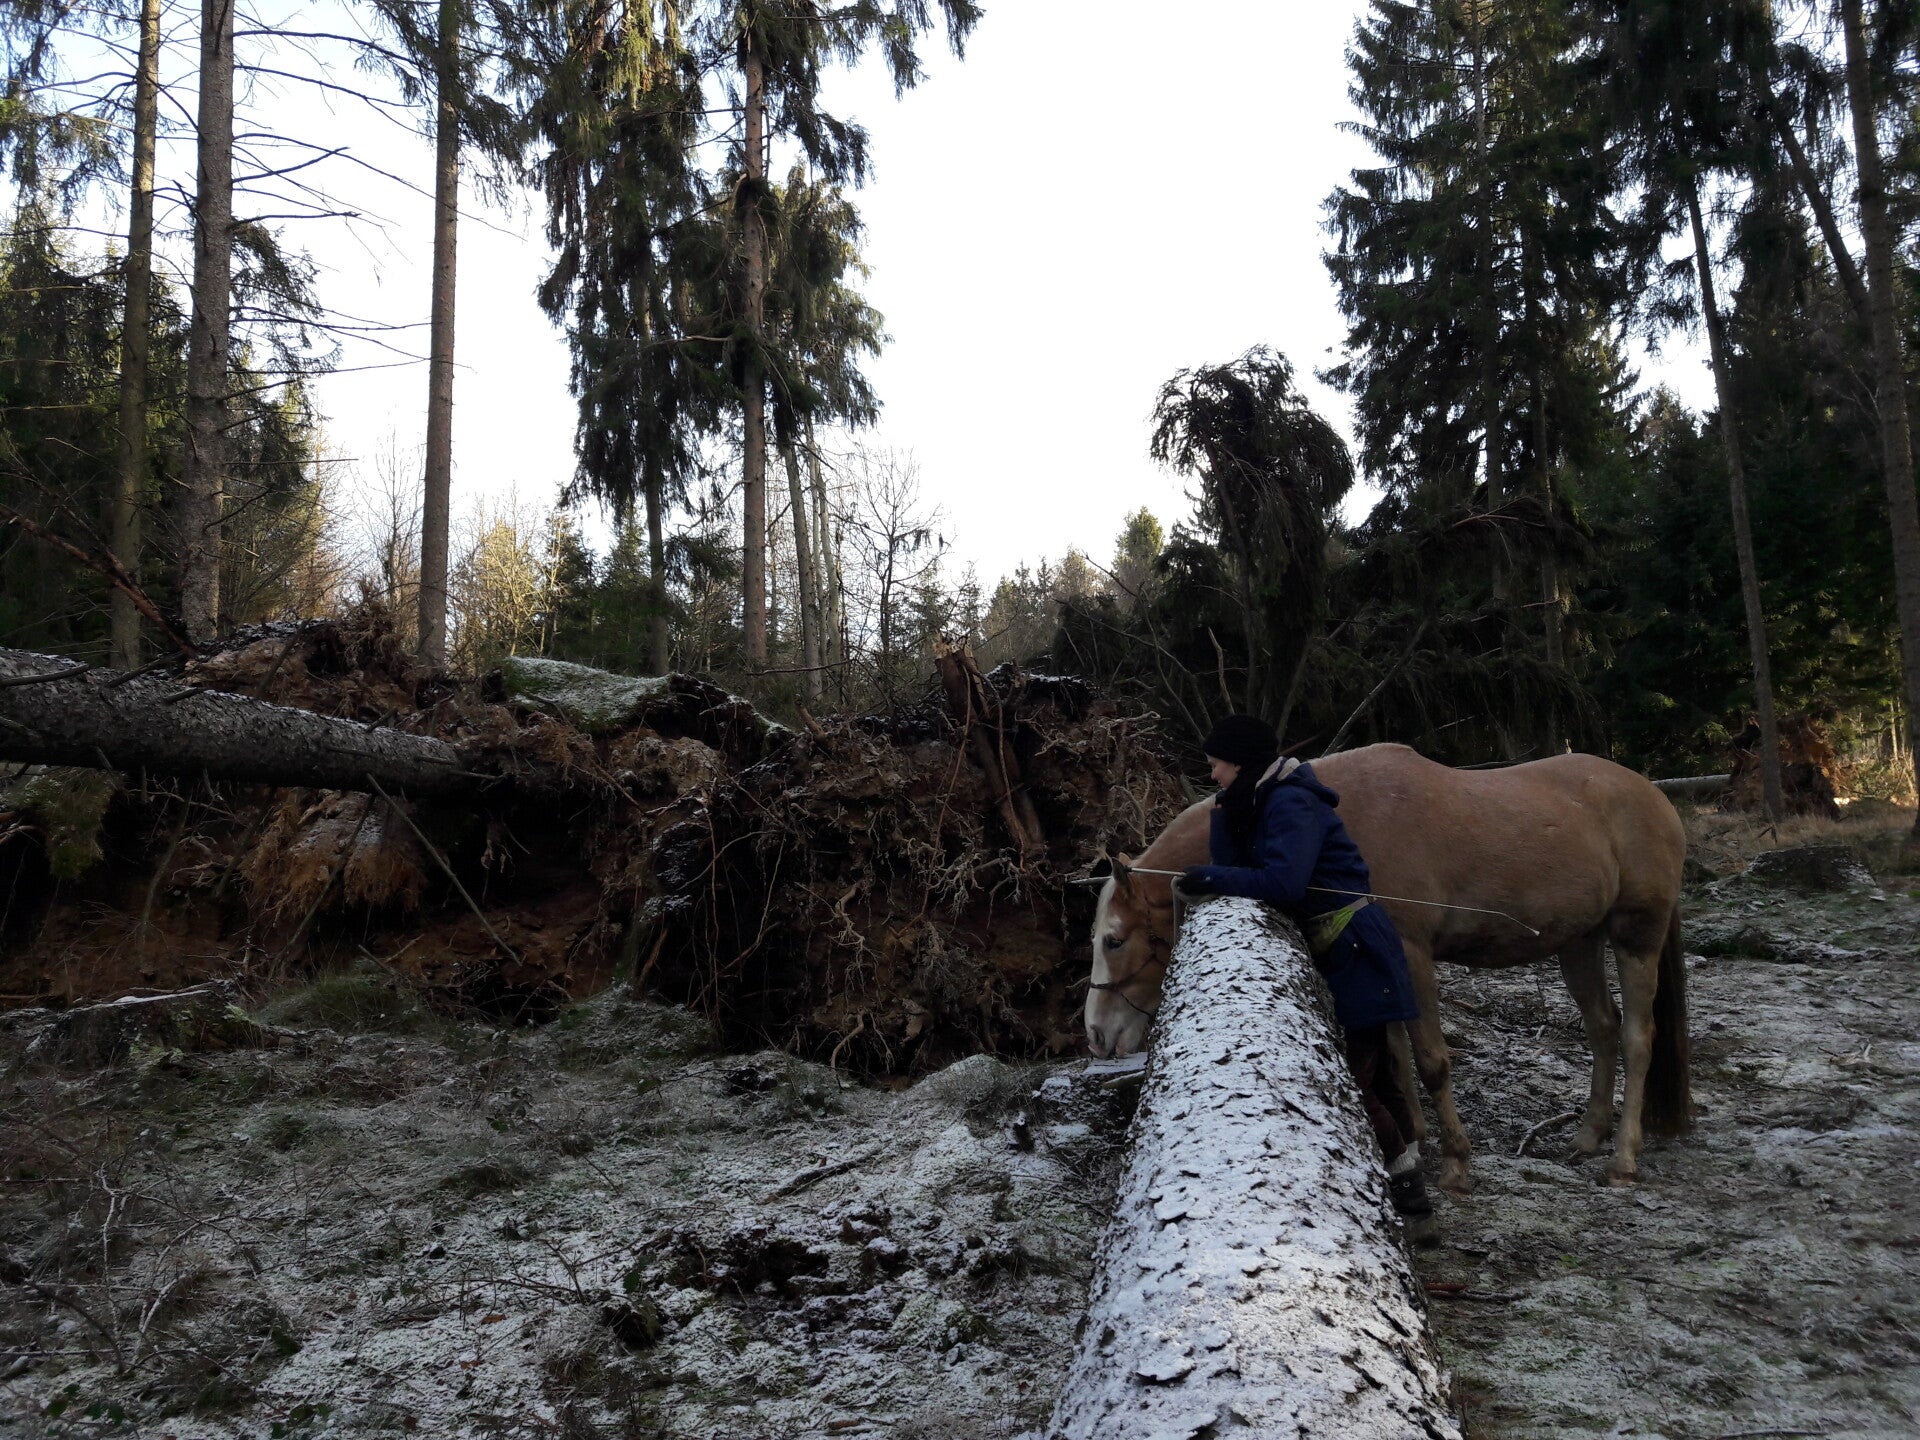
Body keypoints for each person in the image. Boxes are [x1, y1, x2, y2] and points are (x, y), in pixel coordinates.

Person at [1177, 713, 1433, 1228]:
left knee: (1358, 1082)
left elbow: (1285, 883)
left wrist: (1211, 877)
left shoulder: (1292, 802)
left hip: (1358, 945)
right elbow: (1242, 860)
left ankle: (1407, 1193)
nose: (1212, 777)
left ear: (1241, 762)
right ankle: (1414, 1192)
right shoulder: (1260, 801)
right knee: (1378, 1073)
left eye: (1217, 766)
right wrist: (1225, 813)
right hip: (1345, 947)